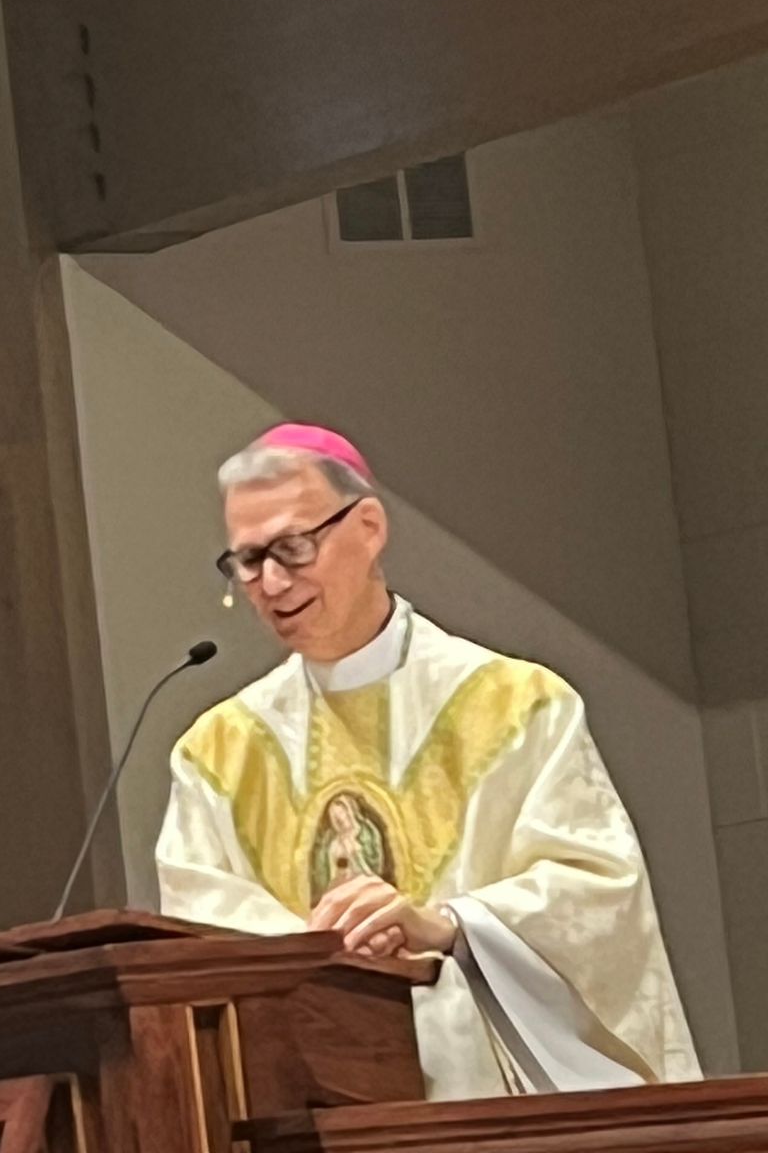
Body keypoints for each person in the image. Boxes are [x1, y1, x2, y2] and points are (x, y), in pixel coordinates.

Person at [157, 422, 700, 1100]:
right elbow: (202, 931)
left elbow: (598, 895)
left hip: (491, 1111)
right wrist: (325, 954)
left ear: (369, 528)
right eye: (247, 560)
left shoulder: (515, 704)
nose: (270, 582)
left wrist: (447, 925)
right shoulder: (217, 752)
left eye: (293, 548)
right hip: (315, 1106)